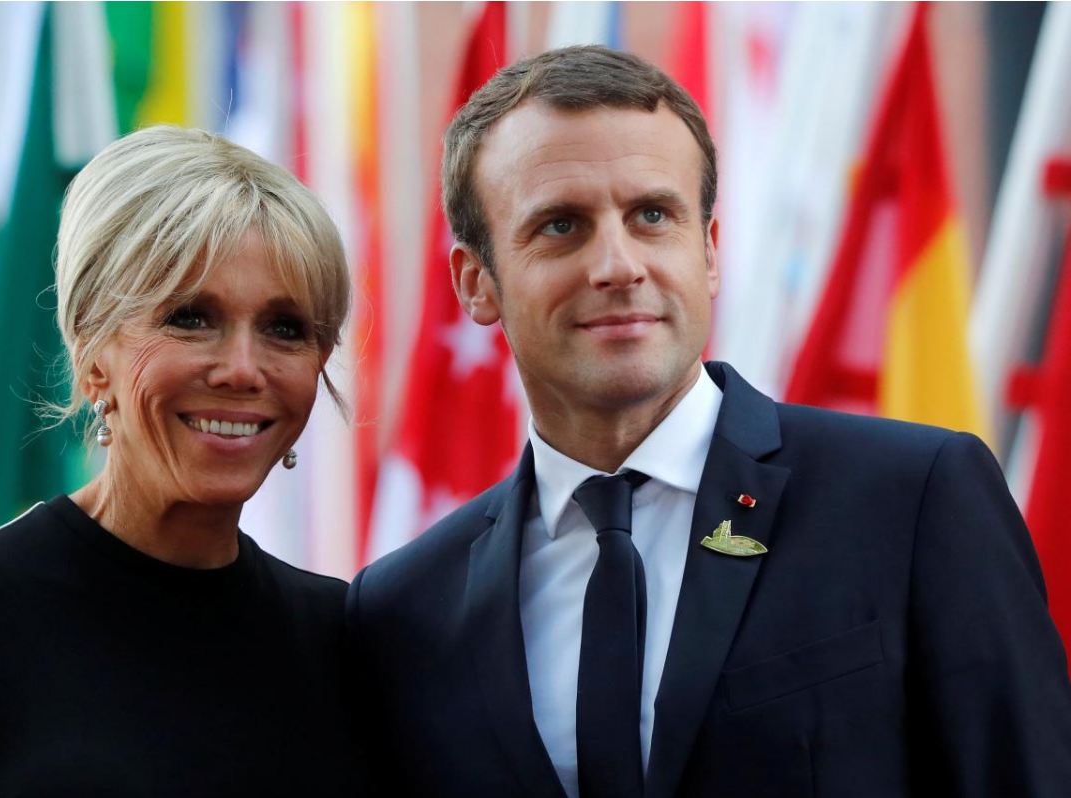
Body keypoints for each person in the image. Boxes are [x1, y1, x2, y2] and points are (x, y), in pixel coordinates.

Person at [346, 46, 1071, 797]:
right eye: (562, 226)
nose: (618, 265)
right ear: (476, 282)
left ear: (710, 251)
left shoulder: (913, 499)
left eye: (652, 215)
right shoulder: (404, 611)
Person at [0, 126, 369, 796]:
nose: (243, 369)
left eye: (285, 328)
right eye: (192, 318)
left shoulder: (349, 641)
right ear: (90, 350)